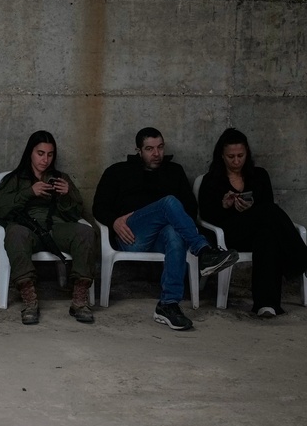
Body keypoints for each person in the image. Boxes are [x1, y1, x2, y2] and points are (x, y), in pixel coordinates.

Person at [93, 127, 239, 331]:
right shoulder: (118, 171)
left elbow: (190, 208)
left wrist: (172, 219)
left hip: (162, 238)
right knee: (169, 202)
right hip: (132, 236)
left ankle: (168, 304)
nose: (156, 154)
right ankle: (204, 251)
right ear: (138, 150)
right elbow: (98, 206)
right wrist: (114, 221)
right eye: (149, 149)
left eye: (160, 147)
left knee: (174, 233)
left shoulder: (174, 171)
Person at [199, 128, 307, 318]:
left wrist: (251, 208)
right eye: (230, 156)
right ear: (221, 156)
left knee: (267, 235)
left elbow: (269, 211)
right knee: (268, 213)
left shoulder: (259, 176)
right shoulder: (212, 180)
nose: (236, 161)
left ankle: (266, 305)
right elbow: (205, 218)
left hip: (256, 231)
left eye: (240, 155)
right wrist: (224, 205)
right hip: (229, 234)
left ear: (247, 153)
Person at [0, 131, 97, 325]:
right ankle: (30, 301)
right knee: (14, 233)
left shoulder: (60, 178)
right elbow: (1, 210)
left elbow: (76, 214)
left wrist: (67, 195)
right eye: (40, 153)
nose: (45, 159)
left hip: (56, 229)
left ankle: (79, 300)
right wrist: (29, 192)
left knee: (86, 232)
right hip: (27, 229)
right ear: (30, 153)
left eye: (50, 154)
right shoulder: (15, 178)